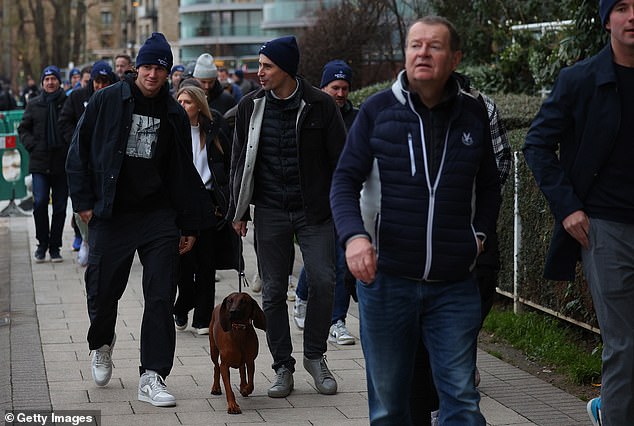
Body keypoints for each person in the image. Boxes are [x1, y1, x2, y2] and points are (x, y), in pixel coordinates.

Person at [330, 16, 500, 425]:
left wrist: (479, 234)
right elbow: (343, 181)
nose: (422, 53)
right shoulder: (377, 111)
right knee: (389, 406)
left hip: (454, 285)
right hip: (387, 282)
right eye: (415, 45)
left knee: (461, 397)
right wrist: (354, 238)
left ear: (455, 57)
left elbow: (491, 183)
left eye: (434, 46)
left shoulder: (474, 113)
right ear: (404, 54)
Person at [66, 33, 210, 407]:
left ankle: (153, 375)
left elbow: (183, 172)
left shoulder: (174, 113)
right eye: (147, 66)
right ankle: (101, 342)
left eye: (159, 68)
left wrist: (190, 224)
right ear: (136, 68)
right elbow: (78, 151)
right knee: (101, 290)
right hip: (111, 212)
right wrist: (83, 203)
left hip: (158, 215)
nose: (152, 74)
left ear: (167, 72)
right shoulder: (106, 100)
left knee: (161, 294)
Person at [523, 1, 634, 424]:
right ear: (607, 19)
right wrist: (568, 206)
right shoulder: (580, 79)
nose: (632, 16)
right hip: (604, 228)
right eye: (622, 7)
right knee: (624, 343)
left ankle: (609, 407)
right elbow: (536, 145)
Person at [228, 35, 346, 399]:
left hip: (315, 211)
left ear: (287, 69)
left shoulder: (321, 105)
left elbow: (342, 161)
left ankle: (315, 356)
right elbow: (238, 161)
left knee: (324, 281)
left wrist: (344, 209)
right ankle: (283, 367)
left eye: (267, 66)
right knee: (274, 291)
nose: (259, 72)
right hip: (271, 211)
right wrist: (239, 209)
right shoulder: (250, 106)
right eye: (260, 65)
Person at [409, 71, 512, 425]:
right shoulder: (401, 109)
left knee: (476, 297)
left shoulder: (482, 108)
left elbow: (500, 161)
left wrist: (477, 212)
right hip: (422, 241)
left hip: (474, 235)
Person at [294, 60, 359, 347]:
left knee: (342, 260)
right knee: (321, 258)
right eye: (335, 87)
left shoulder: (357, 118)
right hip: (318, 199)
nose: (341, 93)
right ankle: (303, 295)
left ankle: (337, 321)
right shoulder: (309, 113)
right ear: (324, 87)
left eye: (345, 88)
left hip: (348, 198)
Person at [173, 85, 232, 335]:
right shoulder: (174, 131)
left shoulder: (214, 131)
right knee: (184, 264)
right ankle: (182, 304)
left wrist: (230, 204)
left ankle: (203, 318)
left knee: (207, 265)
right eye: (180, 101)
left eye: (187, 102)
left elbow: (229, 167)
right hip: (183, 202)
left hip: (210, 203)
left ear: (198, 105)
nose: (182, 106)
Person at [58, 60, 117, 266]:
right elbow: (64, 122)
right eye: (97, 81)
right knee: (81, 206)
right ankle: (84, 239)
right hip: (84, 161)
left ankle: (101, 245)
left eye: (105, 81)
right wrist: (75, 141)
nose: (100, 86)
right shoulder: (77, 97)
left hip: (107, 166)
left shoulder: (117, 101)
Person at [18, 65, 68, 263]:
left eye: (53, 79)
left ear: (58, 81)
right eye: (46, 80)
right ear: (42, 83)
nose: (50, 82)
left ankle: (55, 247)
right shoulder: (34, 104)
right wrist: (32, 145)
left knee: (60, 207)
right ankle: (42, 244)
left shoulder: (66, 102)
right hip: (39, 163)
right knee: (39, 203)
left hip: (61, 163)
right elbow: (23, 129)